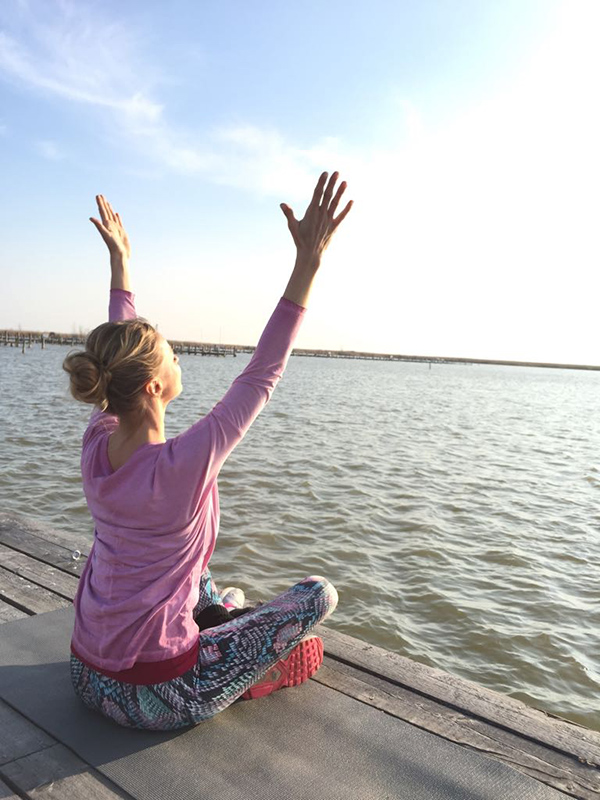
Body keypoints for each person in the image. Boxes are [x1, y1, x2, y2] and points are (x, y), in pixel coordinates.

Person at [62, 171, 353, 730]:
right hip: (156, 695)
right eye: (171, 355)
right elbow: (262, 373)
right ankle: (245, 665)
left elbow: (120, 350)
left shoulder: (97, 442)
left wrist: (121, 269)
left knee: (197, 571)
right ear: (153, 385)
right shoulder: (184, 464)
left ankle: (214, 614)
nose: (179, 361)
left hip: (85, 675)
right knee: (318, 595)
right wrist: (307, 265)